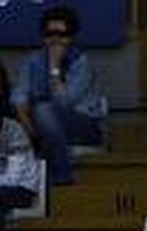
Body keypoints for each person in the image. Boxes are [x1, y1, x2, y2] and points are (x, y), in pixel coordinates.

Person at [12, 5, 108, 186]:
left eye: (61, 34)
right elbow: (19, 97)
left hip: (83, 126)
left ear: (71, 37)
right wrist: (29, 129)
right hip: (42, 129)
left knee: (43, 109)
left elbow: (65, 102)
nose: (55, 39)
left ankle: (62, 175)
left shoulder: (81, 62)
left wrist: (54, 66)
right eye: (49, 34)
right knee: (31, 115)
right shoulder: (33, 60)